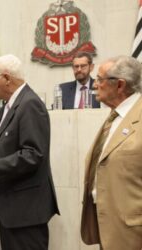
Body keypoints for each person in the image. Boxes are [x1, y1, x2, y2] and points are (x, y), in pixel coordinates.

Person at [0, 54, 60, 250]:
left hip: (26, 210)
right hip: (12, 207)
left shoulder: (30, 104)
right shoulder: (8, 105)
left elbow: (33, 154)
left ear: (7, 78)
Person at [81, 56, 142, 249]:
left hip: (133, 234)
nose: (95, 85)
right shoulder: (114, 116)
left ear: (120, 85)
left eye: (99, 79)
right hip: (108, 229)